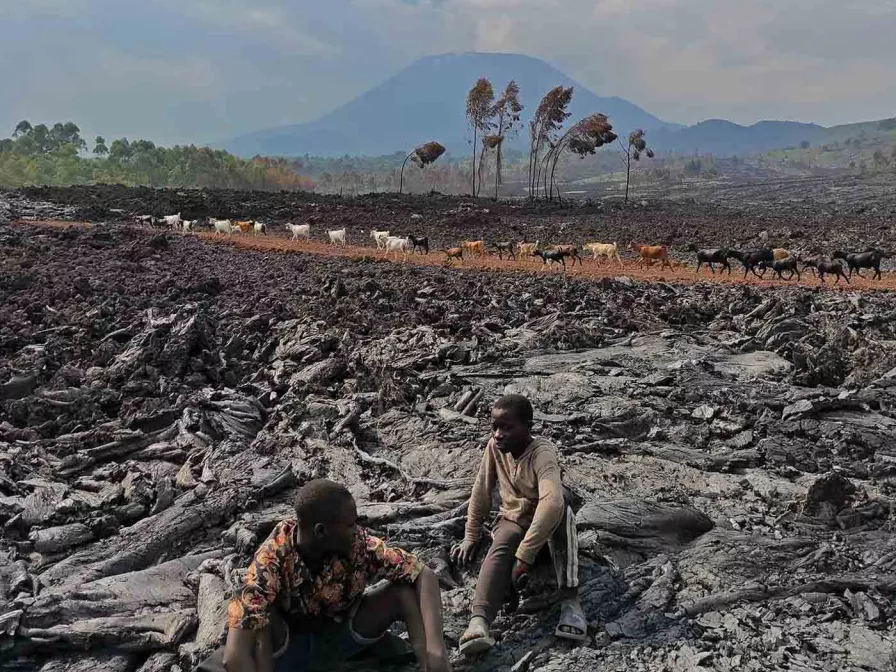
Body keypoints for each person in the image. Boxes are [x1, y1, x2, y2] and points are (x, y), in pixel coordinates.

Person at [199, 479, 451, 672]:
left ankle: (426, 666)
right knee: (257, 621)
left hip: (340, 638)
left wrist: (436, 650)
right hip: (287, 650)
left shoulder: (358, 544)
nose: (357, 530)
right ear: (321, 532)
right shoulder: (271, 559)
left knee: (403, 592)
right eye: (350, 525)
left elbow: (422, 573)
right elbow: (234, 656)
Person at [451, 394, 587, 655]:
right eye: (495, 426)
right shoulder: (494, 448)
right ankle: (479, 621)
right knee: (500, 544)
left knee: (563, 517)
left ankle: (570, 601)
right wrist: (471, 533)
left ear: (528, 427)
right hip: (514, 517)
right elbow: (481, 491)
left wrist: (525, 555)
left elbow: (552, 503)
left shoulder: (542, 453)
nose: (499, 434)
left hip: (545, 526)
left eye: (507, 427)